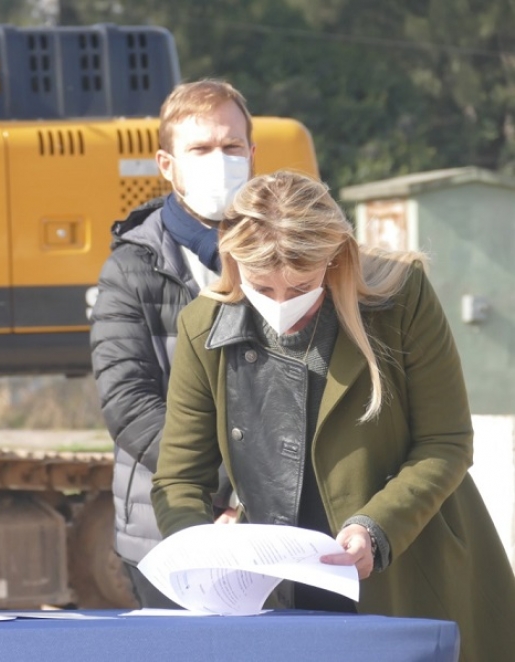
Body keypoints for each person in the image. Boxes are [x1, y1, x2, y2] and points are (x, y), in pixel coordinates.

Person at [151, 171, 515, 661]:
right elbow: (178, 479)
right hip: (279, 589)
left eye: (301, 285)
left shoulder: (399, 298)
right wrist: (200, 551)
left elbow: (446, 442)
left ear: (336, 256)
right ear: (234, 261)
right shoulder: (203, 325)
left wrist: (377, 528)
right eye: (263, 286)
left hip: (408, 569)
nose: (282, 306)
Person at [89, 79, 251, 607]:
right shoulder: (131, 268)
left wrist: (252, 500)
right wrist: (219, 488)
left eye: (231, 147)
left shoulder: (289, 257)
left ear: (253, 153)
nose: (219, 161)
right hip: (166, 536)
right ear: (166, 164)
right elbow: (129, 403)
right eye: (200, 150)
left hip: (272, 525)